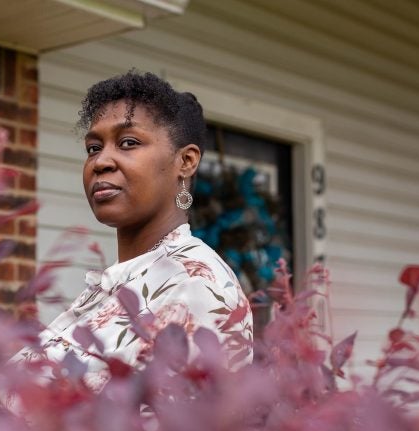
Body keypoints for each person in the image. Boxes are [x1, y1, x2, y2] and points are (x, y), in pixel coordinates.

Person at [28, 71, 252, 390]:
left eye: (128, 143)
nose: (100, 162)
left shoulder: (194, 288)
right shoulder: (123, 283)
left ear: (185, 162)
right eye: (93, 148)